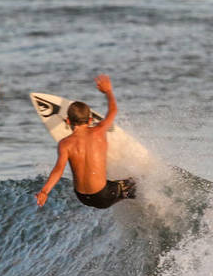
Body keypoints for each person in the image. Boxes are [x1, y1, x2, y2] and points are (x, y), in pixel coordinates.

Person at [35, 74, 137, 209]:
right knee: (140, 184)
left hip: (83, 197)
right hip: (103, 195)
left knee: (121, 187)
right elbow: (113, 110)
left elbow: (58, 170)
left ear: (68, 121)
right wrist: (108, 91)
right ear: (90, 120)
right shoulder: (99, 131)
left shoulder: (65, 144)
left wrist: (44, 191)